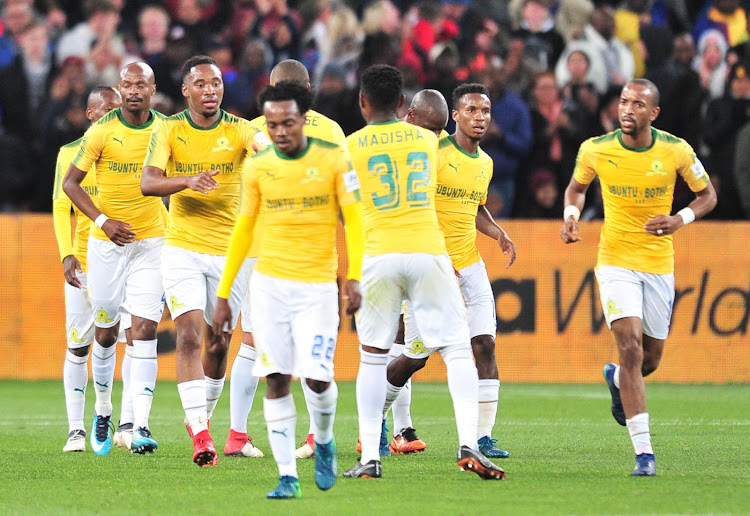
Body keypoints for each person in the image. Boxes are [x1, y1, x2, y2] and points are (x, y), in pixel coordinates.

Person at [342, 64, 506, 481]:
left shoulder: (352, 145)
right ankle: (469, 443)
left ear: (363, 102)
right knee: (456, 350)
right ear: (402, 104)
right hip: (430, 253)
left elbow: (344, 211)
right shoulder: (429, 142)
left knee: (374, 358)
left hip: (379, 254)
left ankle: (370, 458)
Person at [212, 80, 364, 498]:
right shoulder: (258, 166)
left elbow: (355, 220)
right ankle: (287, 476)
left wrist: (355, 276)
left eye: (289, 122)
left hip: (317, 287)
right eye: (273, 123)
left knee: (316, 378)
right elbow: (243, 230)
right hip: (268, 287)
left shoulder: (334, 160)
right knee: (276, 377)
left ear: (304, 119)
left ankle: (325, 439)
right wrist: (225, 294)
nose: (280, 131)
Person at [560, 79, 717, 476]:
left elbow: (708, 195)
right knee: (629, 348)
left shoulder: (675, 149)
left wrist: (679, 219)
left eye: (638, 104)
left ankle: (616, 380)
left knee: (648, 361)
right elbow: (575, 189)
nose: (628, 109)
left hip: (658, 263)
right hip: (615, 261)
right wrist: (572, 217)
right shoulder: (596, 148)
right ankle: (644, 454)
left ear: (654, 113)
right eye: (624, 102)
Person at [140, 55, 265, 467]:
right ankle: (201, 434)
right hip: (182, 246)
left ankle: (203, 422)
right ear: (186, 90)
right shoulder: (169, 128)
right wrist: (188, 181)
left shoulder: (242, 130)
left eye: (215, 83)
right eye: (201, 84)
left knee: (219, 341)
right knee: (190, 336)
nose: (210, 90)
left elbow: (266, 155)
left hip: (232, 254)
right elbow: (148, 182)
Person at [382, 83, 517, 461]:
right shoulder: (432, 152)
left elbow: (474, 208)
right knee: (416, 355)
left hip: (470, 264)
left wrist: (498, 233)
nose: (480, 118)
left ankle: (483, 437)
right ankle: (377, 418)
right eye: (472, 110)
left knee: (485, 344)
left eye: (485, 111)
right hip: (433, 266)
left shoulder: (486, 163)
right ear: (454, 116)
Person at [227, 58, 347, 462]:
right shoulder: (332, 130)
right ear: (310, 87)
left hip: (263, 254)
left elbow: (246, 197)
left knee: (250, 345)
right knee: (316, 360)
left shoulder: (258, 128)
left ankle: (238, 434)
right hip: (315, 256)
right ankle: (316, 438)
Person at [62, 62, 166, 456]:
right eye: (127, 84)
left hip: (152, 242)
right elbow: (70, 184)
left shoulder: (167, 129)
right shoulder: (102, 131)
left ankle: (139, 424)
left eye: (141, 84)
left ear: (153, 89)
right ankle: (103, 409)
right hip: (106, 246)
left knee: (143, 330)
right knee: (105, 333)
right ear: (120, 90)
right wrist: (102, 222)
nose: (133, 90)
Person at [53, 86, 122, 452]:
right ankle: (76, 430)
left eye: (118, 109)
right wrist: (67, 254)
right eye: (107, 109)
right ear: (91, 114)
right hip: (84, 261)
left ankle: (117, 419)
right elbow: (60, 206)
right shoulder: (69, 154)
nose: (114, 114)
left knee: (121, 340)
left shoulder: (130, 148)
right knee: (79, 345)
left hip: (124, 258)